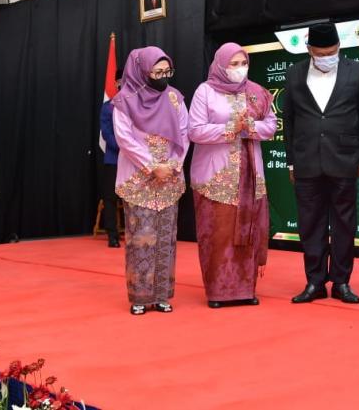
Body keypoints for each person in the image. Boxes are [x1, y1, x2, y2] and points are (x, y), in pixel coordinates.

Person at [282, 22, 359, 304]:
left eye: (331, 51)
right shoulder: (294, 73)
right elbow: (290, 120)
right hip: (307, 160)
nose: (326, 56)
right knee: (311, 224)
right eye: (320, 53)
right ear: (309, 50)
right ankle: (315, 281)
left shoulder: (356, 72)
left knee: (345, 223)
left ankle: (342, 282)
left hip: (345, 159)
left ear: (339, 48)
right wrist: (291, 163)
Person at [189, 43, 277, 308]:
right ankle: (218, 292)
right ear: (220, 64)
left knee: (249, 232)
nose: (240, 69)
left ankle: (246, 290)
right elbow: (195, 130)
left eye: (243, 63)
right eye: (234, 64)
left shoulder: (257, 92)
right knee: (218, 234)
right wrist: (229, 128)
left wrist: (249, 127)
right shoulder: (205, 91)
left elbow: (271, 126)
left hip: (251, 176)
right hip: (215, 176)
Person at [113, 47, 189, 316]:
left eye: (166, 71)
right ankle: (140, 297)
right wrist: (151, 167)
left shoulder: (174, 97)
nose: (163, 76)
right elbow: (124, 139)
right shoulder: (124, 101)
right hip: (139, 180)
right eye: (157, 72)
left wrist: (173, 165)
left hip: (169, 178)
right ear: (143, 71)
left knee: (167, 239)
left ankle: (162, 295)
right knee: (141, 239)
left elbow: (184, 133)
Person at [99, 69, 123, 248]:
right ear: (116, 83)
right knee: (110, 198)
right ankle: (112, 235)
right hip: (114, 159)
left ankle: (134, 232)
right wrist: (123, 147)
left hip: (134, 160)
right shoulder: (108, 107)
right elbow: (106, 132)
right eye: (122, 81)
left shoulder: (138, 105)